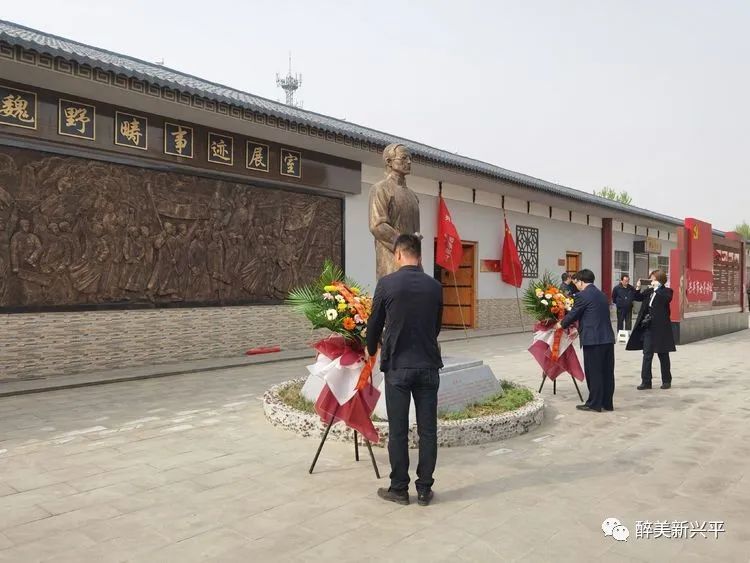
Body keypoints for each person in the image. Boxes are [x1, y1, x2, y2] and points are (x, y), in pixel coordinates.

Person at [366, 234, 443, 507]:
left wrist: (372, 349)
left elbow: (374, 324)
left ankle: (399, 488)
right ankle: (424, 490)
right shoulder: (435, 286)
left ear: (398, 255)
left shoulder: (387, 284)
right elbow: (436, 326)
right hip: (428, 365)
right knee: (428, 431)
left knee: (398, 429)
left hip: (397, 366)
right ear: (419, 256)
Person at [556, 269, 615, 412]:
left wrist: (560, 324)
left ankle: (594, 403)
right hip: (607, 339)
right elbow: (593, 315)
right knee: (607, 372)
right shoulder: (602, 294)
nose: (576, 285)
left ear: (581, 281)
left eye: (576, 282)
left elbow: (575, 313)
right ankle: (607, 403)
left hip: (593, 340)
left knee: (594, 372)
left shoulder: (582, 295)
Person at [368, 144, 422, 280]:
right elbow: (377, 225)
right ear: (389, 162)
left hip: (414, 262)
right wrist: (406, 246)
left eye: (410, 158)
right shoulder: (381, 189)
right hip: (391, 260)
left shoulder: (412, 195)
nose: (409, 162)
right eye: (403, 158)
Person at [626, 270, 675, 390]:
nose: (651, 281)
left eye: (653, 279)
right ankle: (646, 381)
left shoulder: (667, 291)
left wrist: (657, 289)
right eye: (651, 279)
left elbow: (665, 300)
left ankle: (666, 380)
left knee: (663, 355)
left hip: (661, 328)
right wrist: (638, 287)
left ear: (660, 280)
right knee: (647, 354)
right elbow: (637, 297)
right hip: (648, 327)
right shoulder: (649, 291)